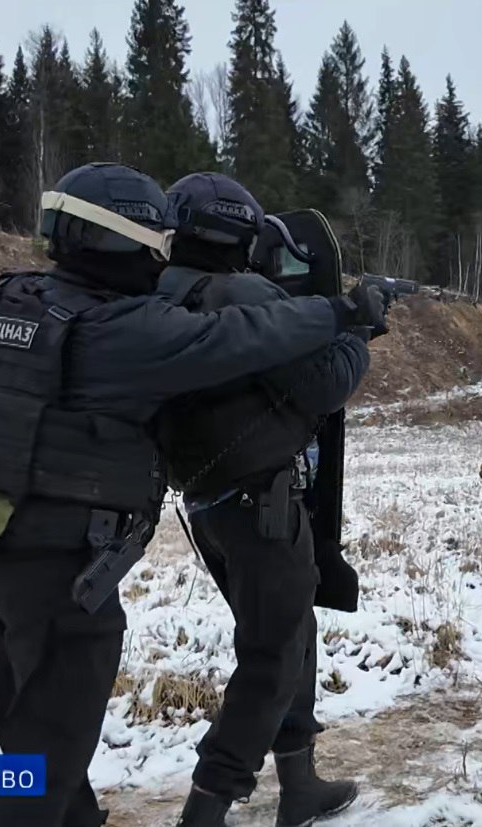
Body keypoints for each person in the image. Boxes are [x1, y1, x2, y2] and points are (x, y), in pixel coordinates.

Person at [0, 162, 388, 827]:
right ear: (118, 242)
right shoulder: (120, 330)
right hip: (54, 571)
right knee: (34, 780)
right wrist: (346, 313)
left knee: (35, 752)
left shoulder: (11, 299)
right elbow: (246, 336)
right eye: (152, 244)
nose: (162, 260)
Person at [156, 172, 378, 827]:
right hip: (261, 503)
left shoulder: (160, 292)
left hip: (205, 502)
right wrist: (359, 327)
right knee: (273, 654)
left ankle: (300, 782)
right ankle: (207, 805)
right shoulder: (246, 294)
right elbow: (327, 383)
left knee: (290, 631)